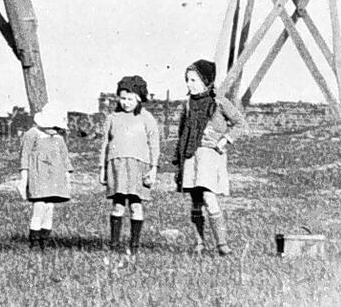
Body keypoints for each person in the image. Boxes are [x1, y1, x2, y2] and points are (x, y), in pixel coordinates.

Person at [173, 59, 245, 256]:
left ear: (206, 81)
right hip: (190, 156)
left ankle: (222, 245)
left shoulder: (219, 102)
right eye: (187, 80)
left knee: (208, 197)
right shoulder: (187, 105)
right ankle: (199, 244)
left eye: (194, 80)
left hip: (209, 156)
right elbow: (181, 133)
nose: (189, 84)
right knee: (196, 201)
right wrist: (179, 161)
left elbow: (240, 123)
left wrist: (225, 140)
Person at [100, 74, 160, 255]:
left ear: (139, 98)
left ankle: (134, 246)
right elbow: (104, 144)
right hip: (117, 166)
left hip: (138, 166)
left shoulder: (147, 118)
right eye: (123, 98)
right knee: (118, 205)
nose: (126, 102)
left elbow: (154, 143)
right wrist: (102, 168)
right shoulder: (112, 117)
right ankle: (114, 245)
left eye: (130, 99)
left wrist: (153, 168)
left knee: (136, 205)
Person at [16, 102, 73, 250]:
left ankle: (45, 241)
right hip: (38, 177)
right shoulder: (32, 134)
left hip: (55, 178)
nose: (55, 131)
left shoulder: (59, 139)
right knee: (39, 207)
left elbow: (65, 158)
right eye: (53, 127)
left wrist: (67, 177)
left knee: (49, 208)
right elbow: (24, 157)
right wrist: (24, 178)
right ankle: (34, 242)